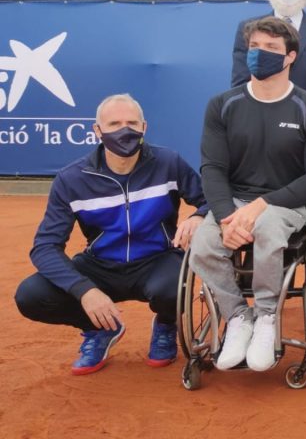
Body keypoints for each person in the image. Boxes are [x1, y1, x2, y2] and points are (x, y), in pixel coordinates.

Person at [14, 93, 207, 375]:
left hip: (158, 260)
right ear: (97, 131)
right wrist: (84, 290)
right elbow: (45, 246)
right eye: (114, 123)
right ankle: (100, 329)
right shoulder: (71, 179)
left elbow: (211, 198)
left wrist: (200, 215)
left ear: (144, 128)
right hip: (100, 265)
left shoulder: (168, 163)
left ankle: (166, 324)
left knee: (174, 289)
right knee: (30, 295)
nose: (124, 130)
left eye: (131, 123)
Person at [190, 17, 306, 372]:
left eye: (271, 48)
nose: (259, 54)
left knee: (269, 228)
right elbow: (212, 168)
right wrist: (227, 217)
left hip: (287, 204)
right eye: (254, 47)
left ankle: (267, 317)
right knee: (204, 244)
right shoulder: (222, 105)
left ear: (290, 57)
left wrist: (262, 205)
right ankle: (239, 317)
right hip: (233, 204)